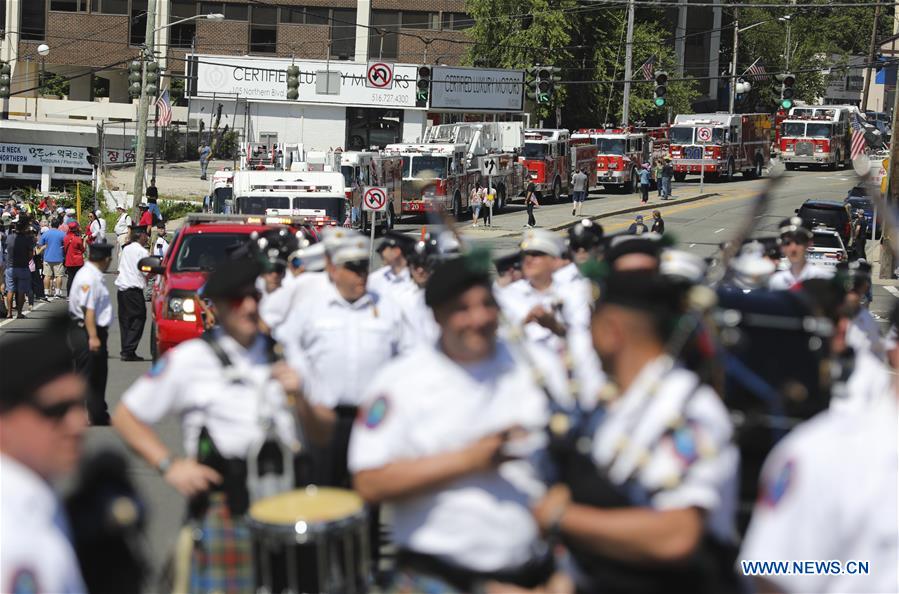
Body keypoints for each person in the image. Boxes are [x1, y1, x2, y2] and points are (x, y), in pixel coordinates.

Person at [112, 258, 329, 594]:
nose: (249, 307)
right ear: (219, 307)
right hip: (227, 506)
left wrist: (302, 398)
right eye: (238, 300)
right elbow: (127, 416)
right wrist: (170, 466)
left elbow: (323, 433)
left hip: (288, 502)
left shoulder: (286, 353)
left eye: (253, 297)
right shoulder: (192, 360)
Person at [349, 255, 554, 592]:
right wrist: (469, 460)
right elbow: (370, 481)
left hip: (534, 573)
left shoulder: (535, 365)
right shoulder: (399, 382)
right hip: (438, 577)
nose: (480, 318)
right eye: (463, 308)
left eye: (487, 304)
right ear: (437, 316)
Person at [534, 270, 740, 593]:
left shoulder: (686, 408)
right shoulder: (615, 407)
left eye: (591, 326)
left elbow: (677, 534)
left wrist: (561, 517)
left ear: (610, 331)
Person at [277, 232, 406, 486]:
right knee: (323, 496)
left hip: (372, 422)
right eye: (353, 269)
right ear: (333, 270)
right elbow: (288, 346)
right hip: (324, 420)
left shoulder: (388, 309)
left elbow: (409, 358)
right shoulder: (312, 307)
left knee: (366, 499)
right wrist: (306, 389)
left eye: (364, 268)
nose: (361, 275)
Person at [0, 316, 88, 594]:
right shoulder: (12, 538)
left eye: (79, 406)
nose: (77, 425)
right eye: (55, 410)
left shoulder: (38, 499)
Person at [68, 242, 114, 425]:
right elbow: (89, 310)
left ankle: (98, 414)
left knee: (98, 373)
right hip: (86, 331)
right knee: (85, 375)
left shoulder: (92, 274)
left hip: (92, 330)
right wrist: (93, 336)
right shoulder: (89, 277)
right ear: (106, 259)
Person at [116, 225, 150, 362]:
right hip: (134, 290)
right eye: (145, 235)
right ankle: (129, 349)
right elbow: (146, 271)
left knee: (125, 321)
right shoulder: (142, 252)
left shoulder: (127, 248)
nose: (147, 238)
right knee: (139, 318)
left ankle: (127, 350)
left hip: (122, 289)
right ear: (140, 236)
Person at [768, 217, 832, 291]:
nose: (793, 249)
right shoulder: (776, 281)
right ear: (782, 247)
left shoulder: (823, 279)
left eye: (799, 242)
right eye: (787, 243)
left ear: (809, 244)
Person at [368, 230, 415, 298]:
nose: (380, 252)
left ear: (396, 251)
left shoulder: (415, 279)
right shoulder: (375, 278)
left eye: (384, 248)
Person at [9, 218, 35, 319]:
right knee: (21, 291)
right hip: (23, 266)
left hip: (10, 267)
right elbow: (30, 254)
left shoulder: (9, 237)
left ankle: (9, 312)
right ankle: (19, 313)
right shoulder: (27, 239)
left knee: (10, 290)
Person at [38, 219, 66, 300]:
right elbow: (65, 244)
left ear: (51, 224)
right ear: (58, 225)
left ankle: (46, 292)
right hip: (58, 257)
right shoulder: (62, 234)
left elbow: (40, 245)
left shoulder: (46, 234)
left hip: (47, 257)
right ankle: (57, 292)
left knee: (47, 275)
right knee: (59, 276)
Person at [63, 222, 86, 297]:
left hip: (69, 261)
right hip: (78, 261)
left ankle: (69, 295)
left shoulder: (66, 238)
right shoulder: (78, 239)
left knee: (70, 278)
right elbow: (83, 250)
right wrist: (84, 241)